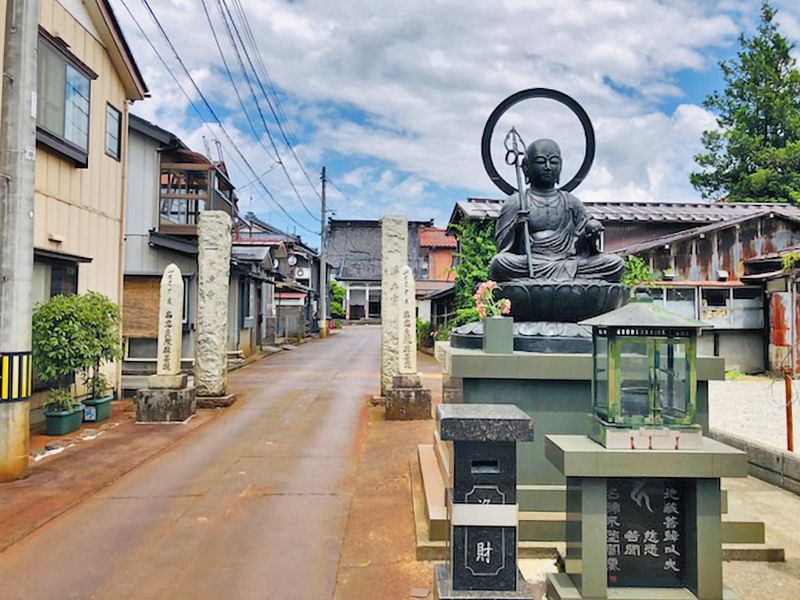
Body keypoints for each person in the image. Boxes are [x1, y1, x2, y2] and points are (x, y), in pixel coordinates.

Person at [489, 138, 624, 282]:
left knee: (615, 264)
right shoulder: (517, 202)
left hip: (569, 262)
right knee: (500, 263)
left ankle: (551, 281)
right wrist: (516, 229)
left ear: (560, 166)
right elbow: (502, 247)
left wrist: (590, 233)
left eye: (553, 162)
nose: (548, 167)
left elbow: (582, 245)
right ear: (526, 167)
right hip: (531, 263)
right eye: (541, 161)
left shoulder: (571, 202)